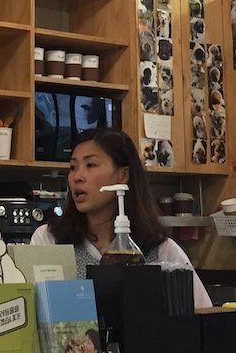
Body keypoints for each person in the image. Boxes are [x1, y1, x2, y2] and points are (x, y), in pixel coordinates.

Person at [30, 127, 213, 309]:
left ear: (123, 175)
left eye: (91, 165)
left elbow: (203, 315)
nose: (77, 176)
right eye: (72, 167)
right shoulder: (49, 240)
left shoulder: (162, 251)